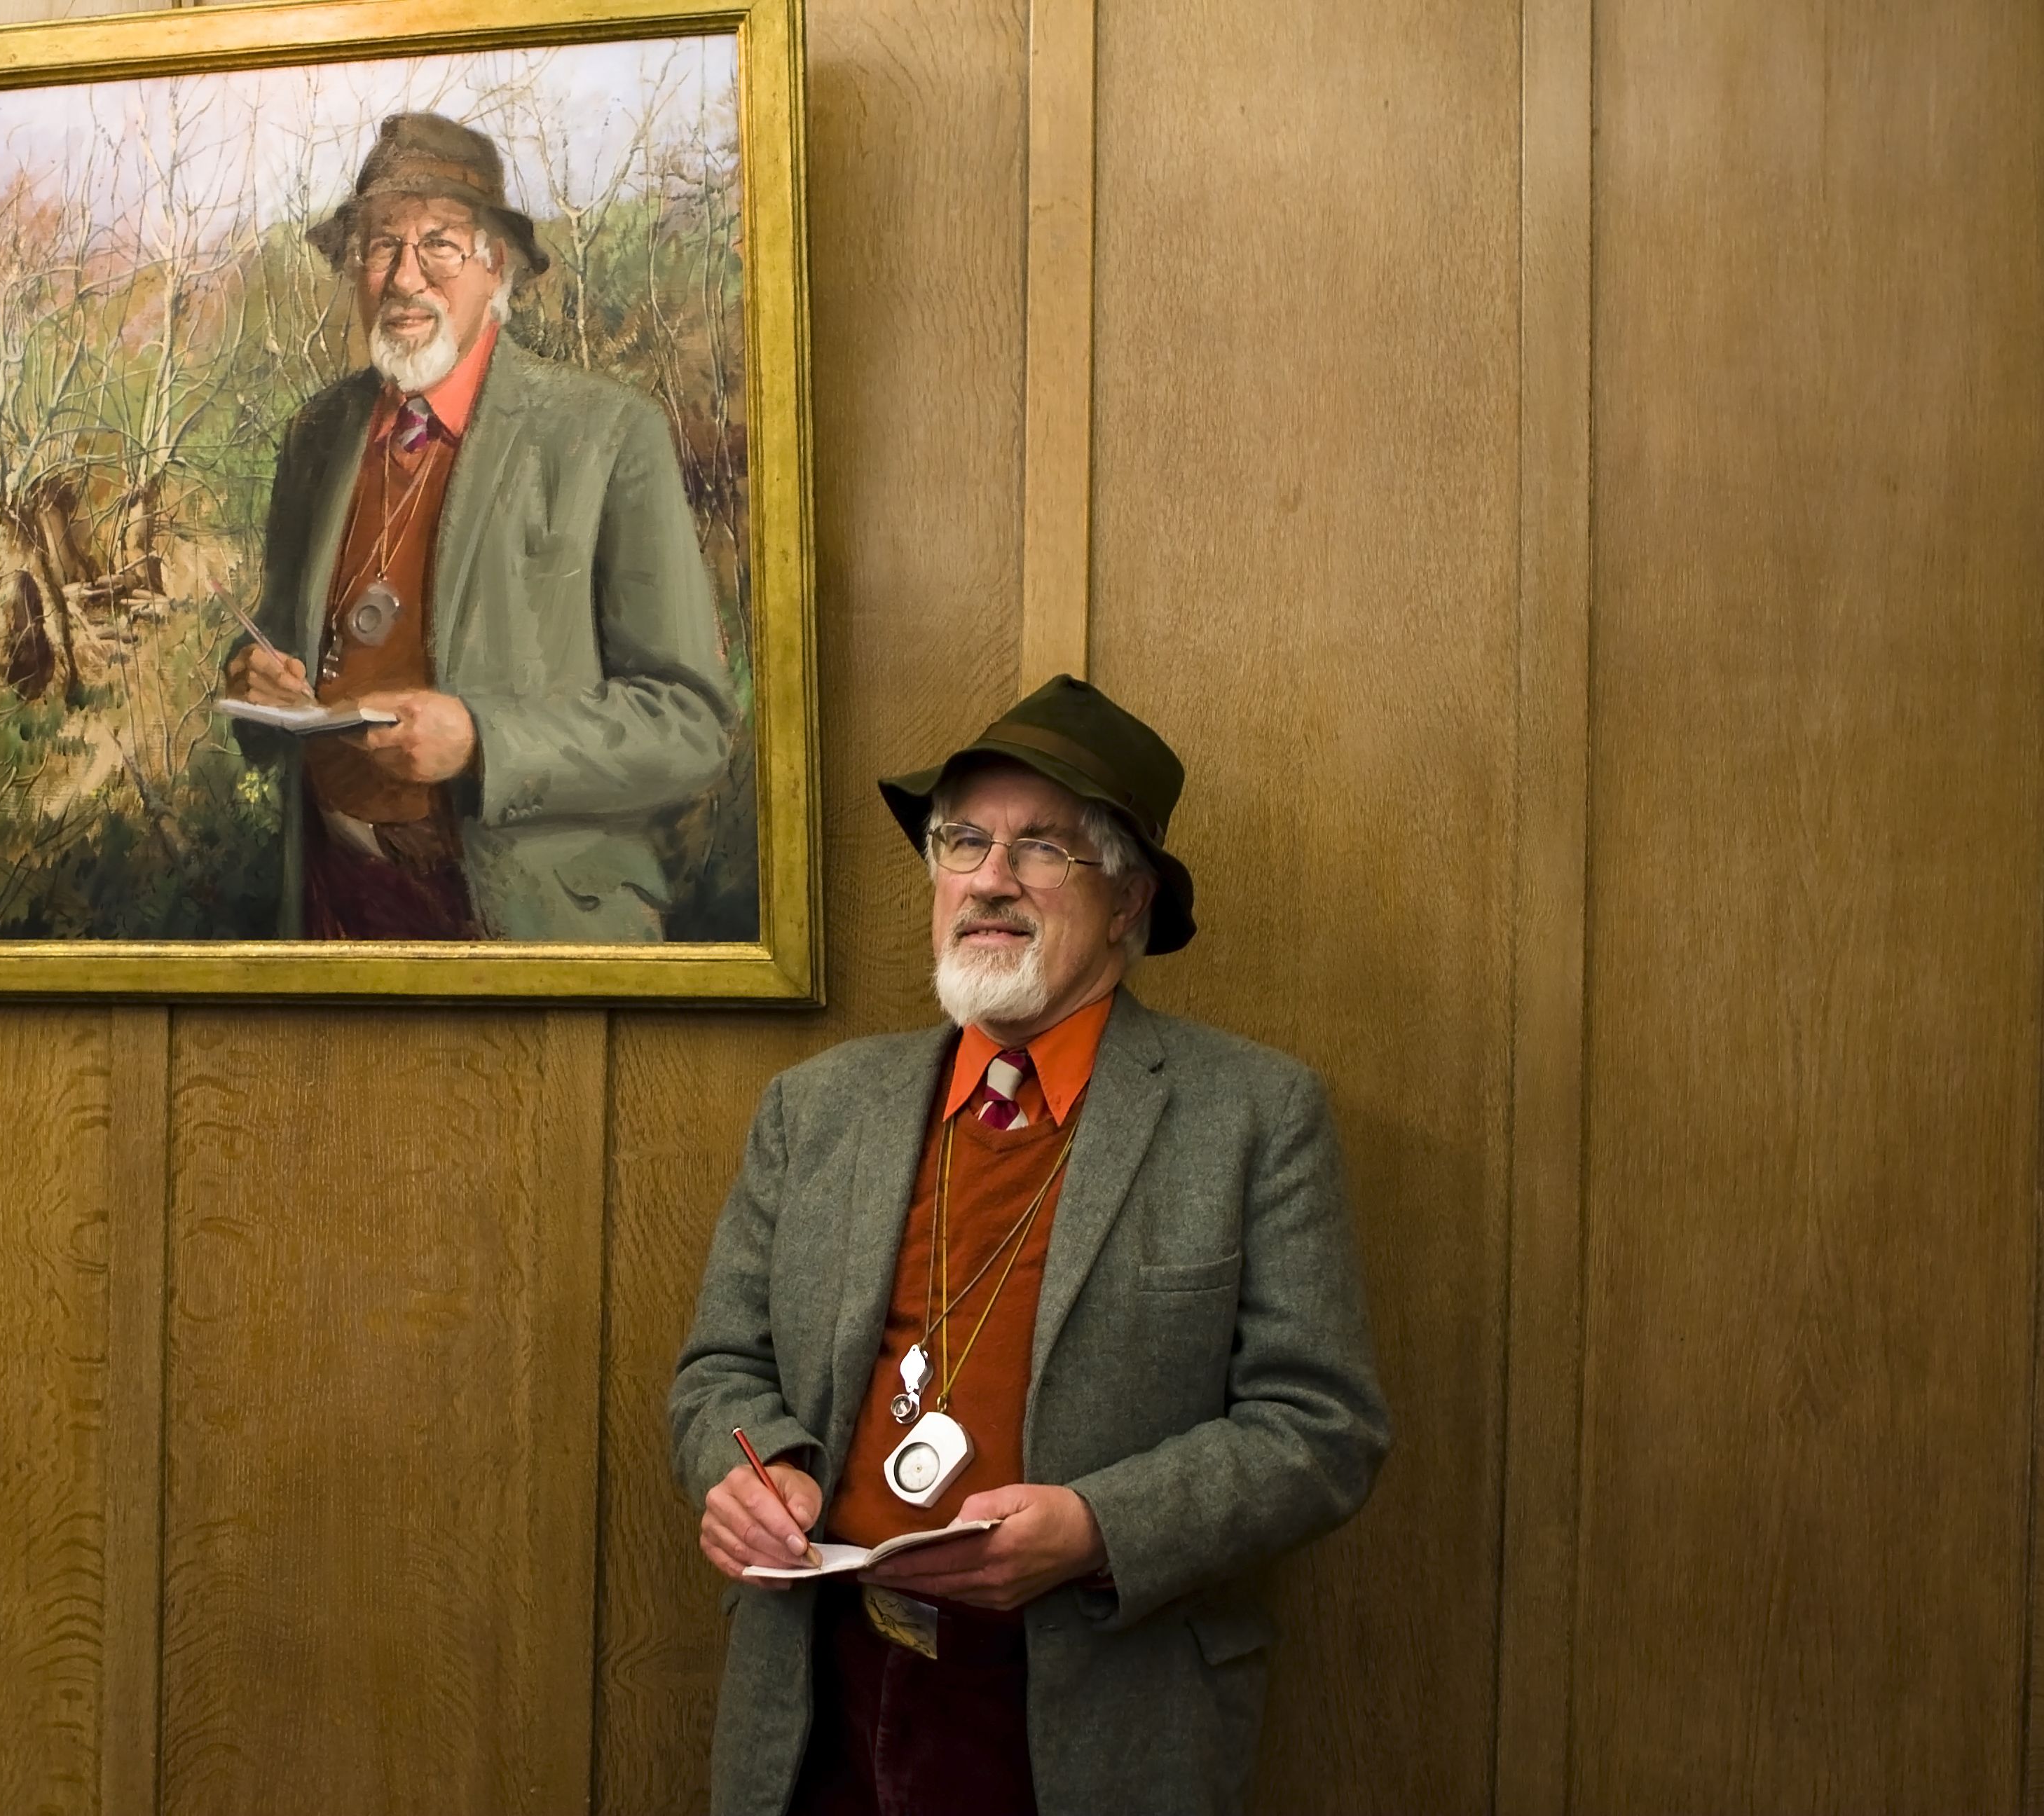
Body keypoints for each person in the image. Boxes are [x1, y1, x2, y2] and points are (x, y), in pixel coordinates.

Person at [668, 675, 1390, 1815]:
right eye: (963, 842)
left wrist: (1098, 1527)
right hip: (819, 1698)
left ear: (1128, 903)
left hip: (1088, 1713)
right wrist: (749, 1472)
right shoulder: (815, 1108)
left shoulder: (1251, 1115)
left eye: (1043, 850)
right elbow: (719, 1371)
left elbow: (1319, 1428)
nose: (989, 879)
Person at [221, 111, 734, 942]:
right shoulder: (318, 434)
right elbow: (278, 639)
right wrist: (254, 681)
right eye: (382, 246)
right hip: (329, 905)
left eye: (441, 246)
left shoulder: (605, 434)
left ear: (497, 266)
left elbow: (691, 728)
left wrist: (483, 742)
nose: (404, 278)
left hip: (526, 921)